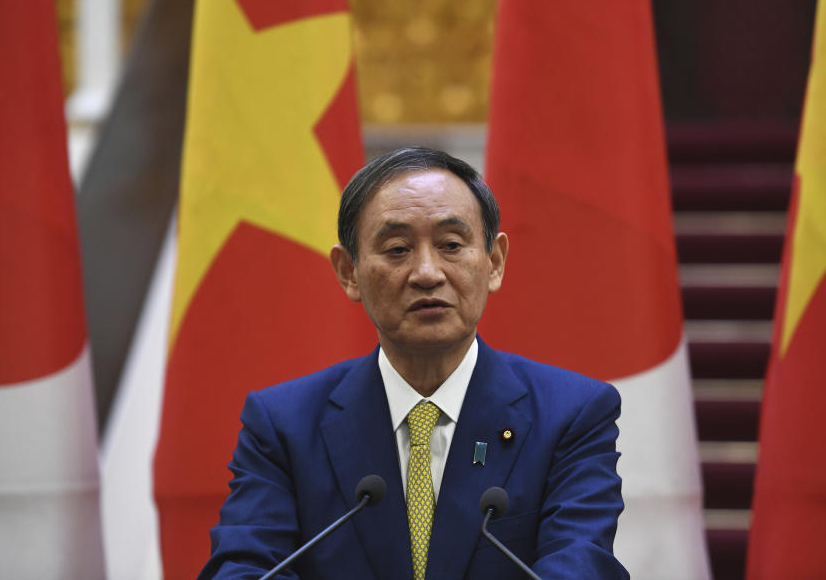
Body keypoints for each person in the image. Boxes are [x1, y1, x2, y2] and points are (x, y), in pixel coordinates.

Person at [199, 148, 628, 579]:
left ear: (494, 262)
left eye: (451, 246)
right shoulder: (283, 425)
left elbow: (580, 566)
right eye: (398, 248)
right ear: (349, 271)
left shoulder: (572, 415)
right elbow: (245, 569)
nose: (427, 272)